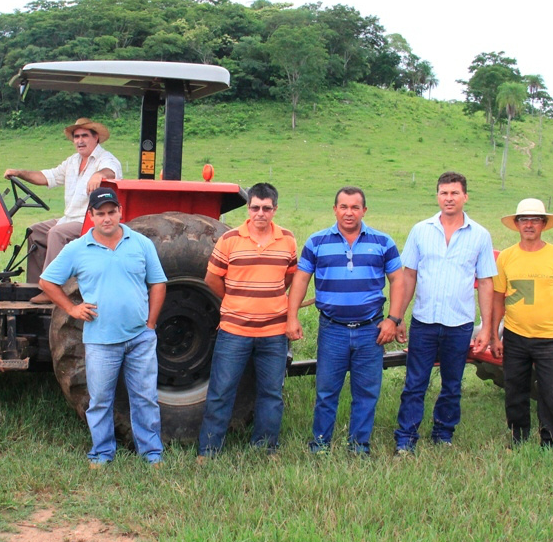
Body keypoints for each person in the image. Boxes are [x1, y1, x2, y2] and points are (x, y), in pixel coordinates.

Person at [39, 187, 167, 466]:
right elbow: (47, 282)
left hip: (139, 337)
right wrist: (72, 308)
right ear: (91, 216)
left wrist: (151, 324)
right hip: (100, 341)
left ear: (120, 212)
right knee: (99, 400)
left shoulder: (141, 243)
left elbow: (158, 283)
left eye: (112, 212)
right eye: (100, 214)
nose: (107, 218)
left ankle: (152, 452)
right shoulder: (77, 249)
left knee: (145, 397)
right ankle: (102, 452)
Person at [287, 186, 405, 456]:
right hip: (333, 330)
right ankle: (319, 445)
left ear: (364, 210)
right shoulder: (317, 242)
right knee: (327, 392)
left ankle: (359, 447)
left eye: (355, 207)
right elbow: (301, 280)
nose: (349, 212)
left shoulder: (383, 242)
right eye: (343, 207)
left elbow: (398, 279)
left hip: (371, 331)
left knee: (366, 393)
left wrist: (393, 319)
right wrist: (291, 317)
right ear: (334, 210)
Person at [392, 172, 497, 454]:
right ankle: (406, 438)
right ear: (437, 196)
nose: (449, 198)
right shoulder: (421, 230)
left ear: (465, 196)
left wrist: (486, 327)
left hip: (459, 323)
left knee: (452, 383)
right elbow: (409, 275)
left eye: (454, 193)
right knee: (415, 382)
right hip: (424, 321)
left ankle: (443, 434)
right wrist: (398, 316)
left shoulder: (479, 235)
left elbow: (486, 282)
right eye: (443, 193)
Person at [197, 183, 298, 458]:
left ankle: (265, 448)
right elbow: (211, 279)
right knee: (221, 391)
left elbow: (289, 276)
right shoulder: (230, 239)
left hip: (274, 332)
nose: (260, 213)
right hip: (234, 331)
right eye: (255, 207)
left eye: (266, 208)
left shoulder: (287, 240)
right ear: (248, 208)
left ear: (275, 210)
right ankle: (208, 450)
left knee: (271, 393)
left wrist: (268, 295)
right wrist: (234, 299)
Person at [490, 198, 553, 448]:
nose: (529, 225)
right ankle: (519, 437)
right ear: (517, 224)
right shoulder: (506, 257)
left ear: (543, 224)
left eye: (535, 220)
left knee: (551, 393)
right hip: (515, 336)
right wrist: (496, 336)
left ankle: (551, 442)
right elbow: (498, 298)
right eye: (524, 220)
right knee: (515, 391)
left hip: (549, 338)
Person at [3, 118, 122, 299]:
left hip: (89, 221)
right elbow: (46, 177)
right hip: (70, 218)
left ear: (96, 137)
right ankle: (37, 285)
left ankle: (52, 288)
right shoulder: (72, 162)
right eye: (76, 137)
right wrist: (19, 173)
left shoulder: (105, 159)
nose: (80, 141)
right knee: (34, 231)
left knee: (57, 233)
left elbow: (111, 171)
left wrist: (99, 175)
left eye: (84, 136)